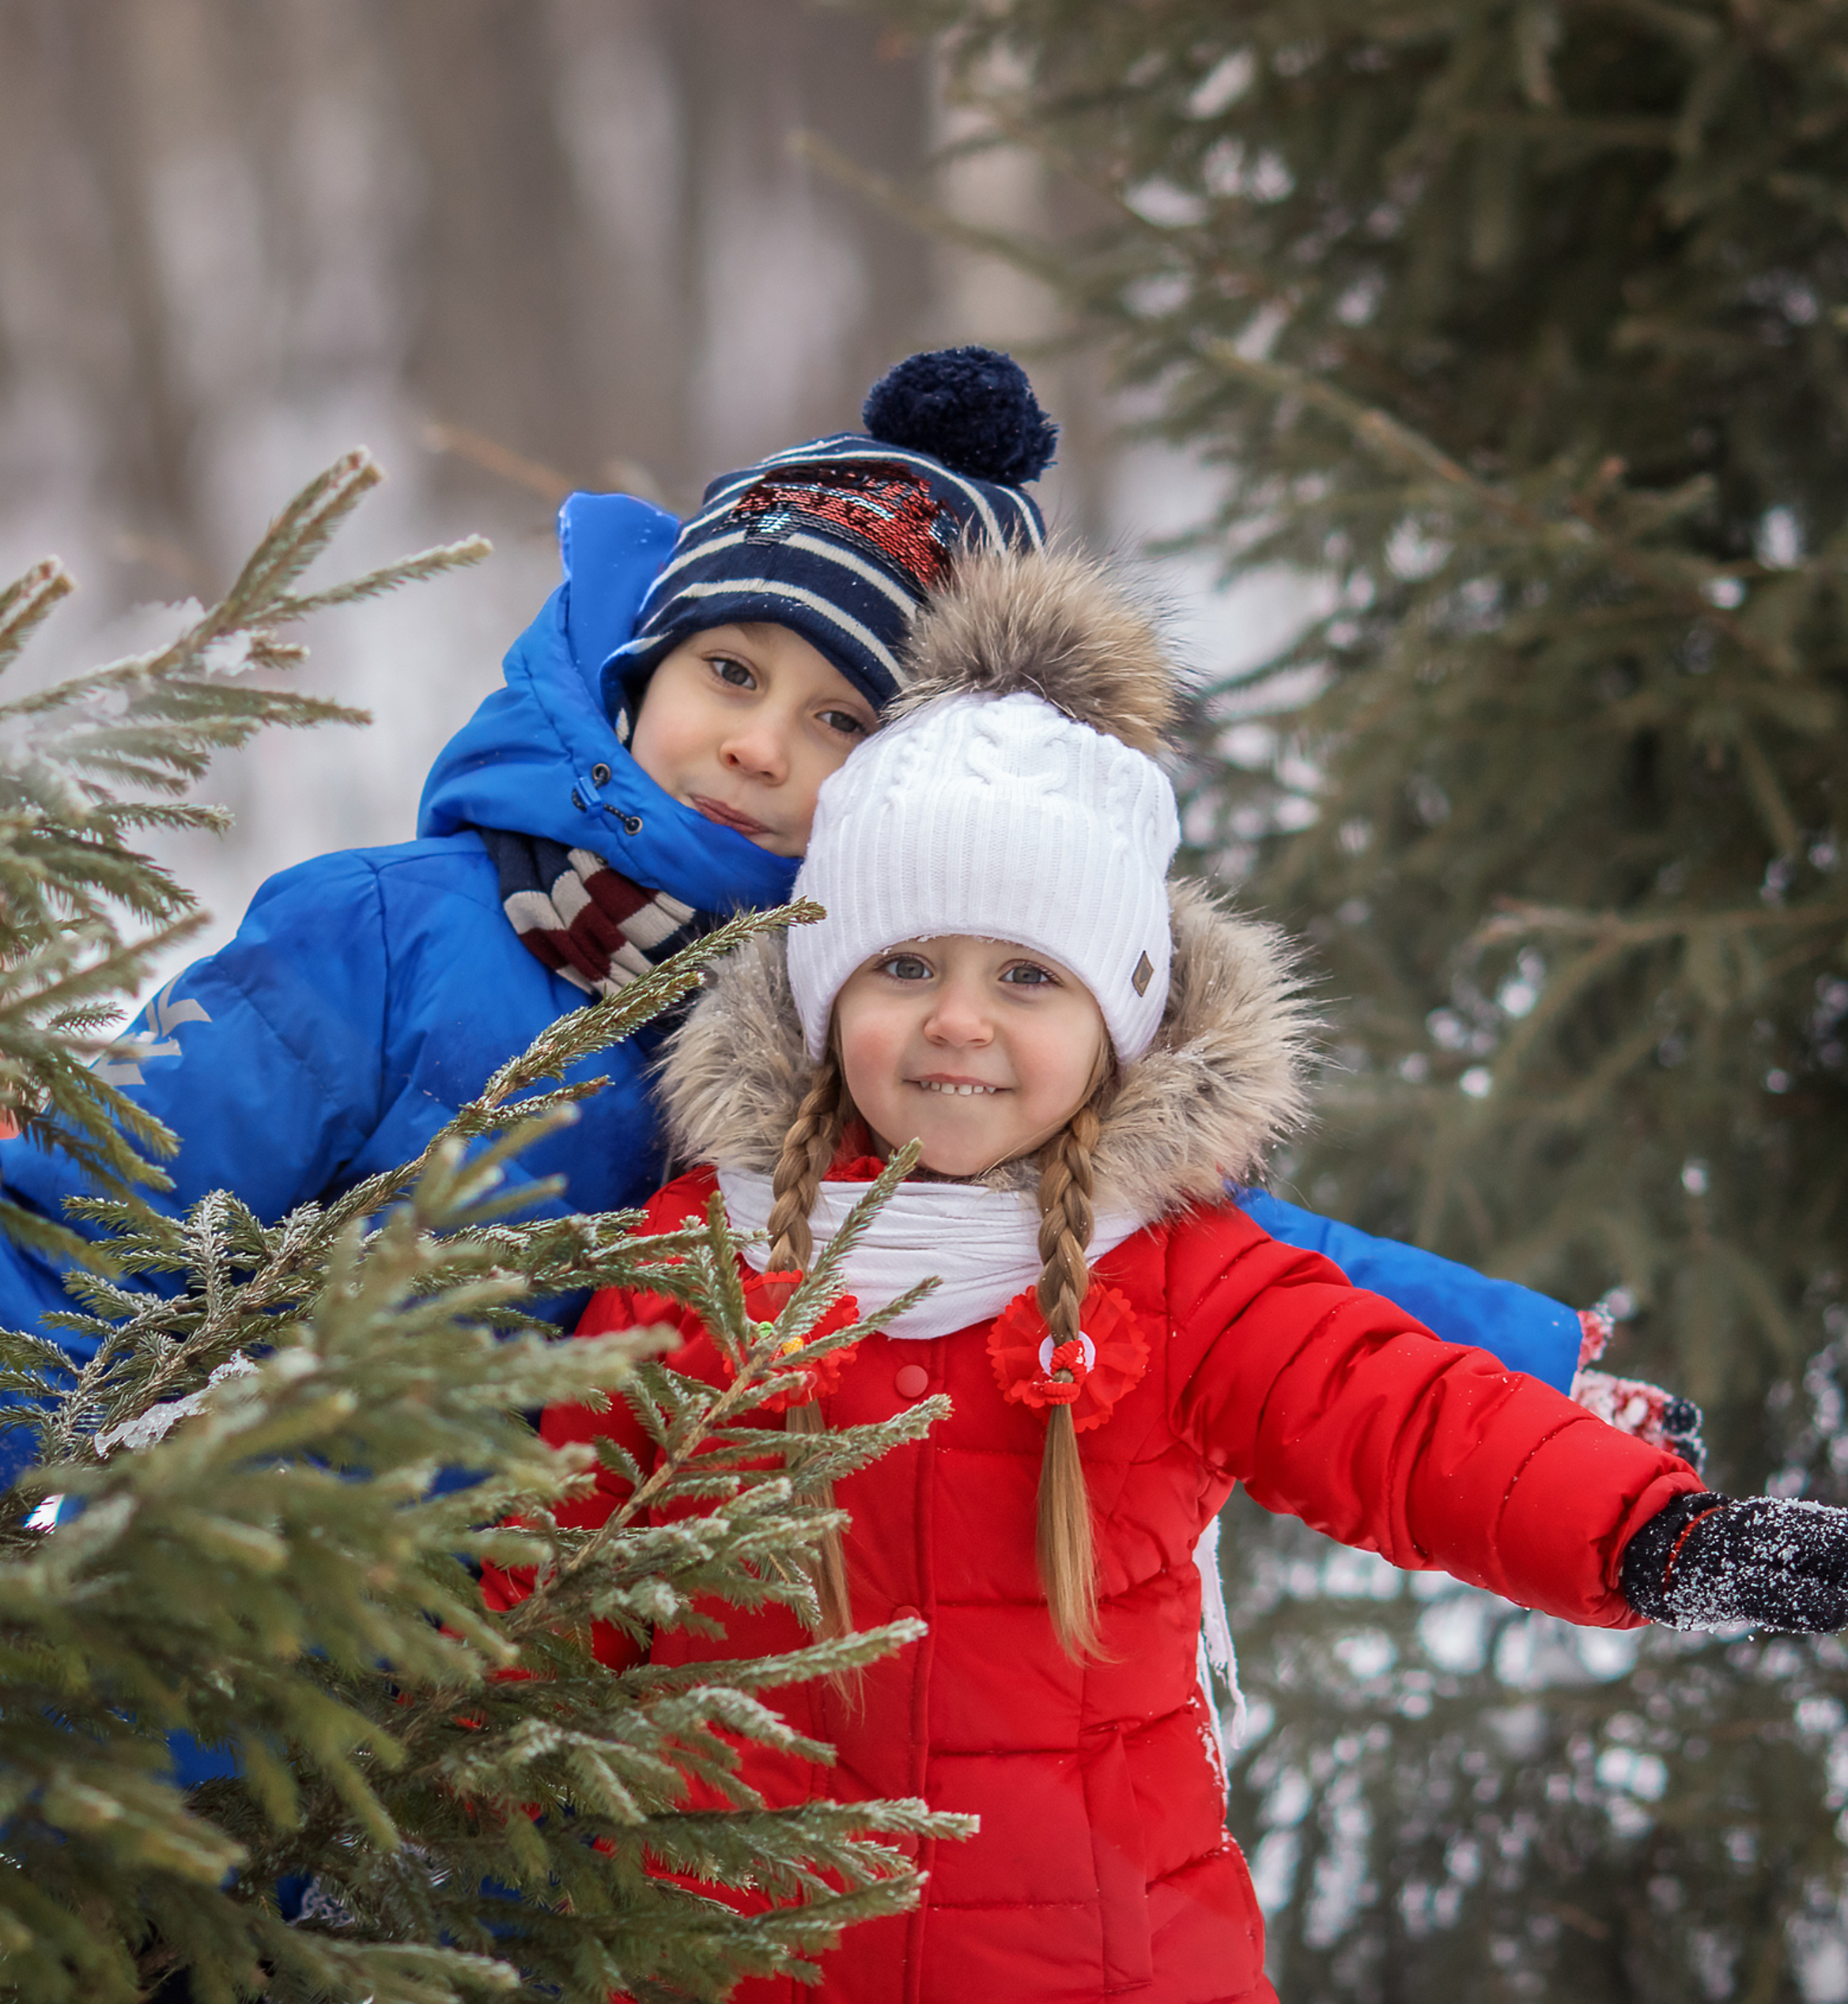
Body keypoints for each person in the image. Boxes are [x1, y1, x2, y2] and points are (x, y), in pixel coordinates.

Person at [0, 346, 1664, 1524]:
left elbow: (1193, 1244)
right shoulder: (388, 935)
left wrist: (1524, 1358)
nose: (760, 740)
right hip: (238, 1673)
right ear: (644, 662)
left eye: (842, 720)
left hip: (572, 1782)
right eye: (729, 668)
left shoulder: (859, 1037)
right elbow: (87, 1219)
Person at [518, 544, 1848, 2004]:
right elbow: (555, 1579)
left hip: (1109, 1967)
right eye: (904, 968)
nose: (958, 1021)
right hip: (729, 1965)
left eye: (1027, 977)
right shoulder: (696, 1260)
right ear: (826, 1002)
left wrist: (1658, 1540)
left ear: (1122, 1016)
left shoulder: (1180, 1278)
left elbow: (1406, 1417)